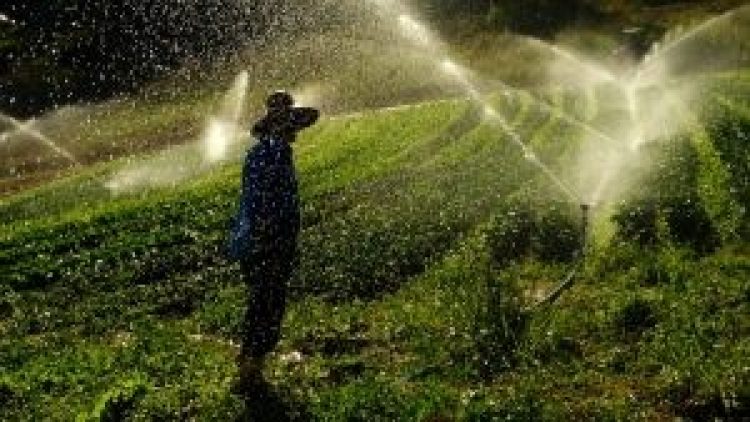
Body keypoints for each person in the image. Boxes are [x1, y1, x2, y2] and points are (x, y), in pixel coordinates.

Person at [228, 91, 319, 394]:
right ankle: (250, 367)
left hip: (263, 237)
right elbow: (264, 200)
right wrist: (272, 236)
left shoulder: (266, 151)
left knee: (262, 299)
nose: (295, 133)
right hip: (269, 238)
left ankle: (250, 362)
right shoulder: (273, 152)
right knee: (268, 300)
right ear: (282, 127)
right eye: (291, 125)